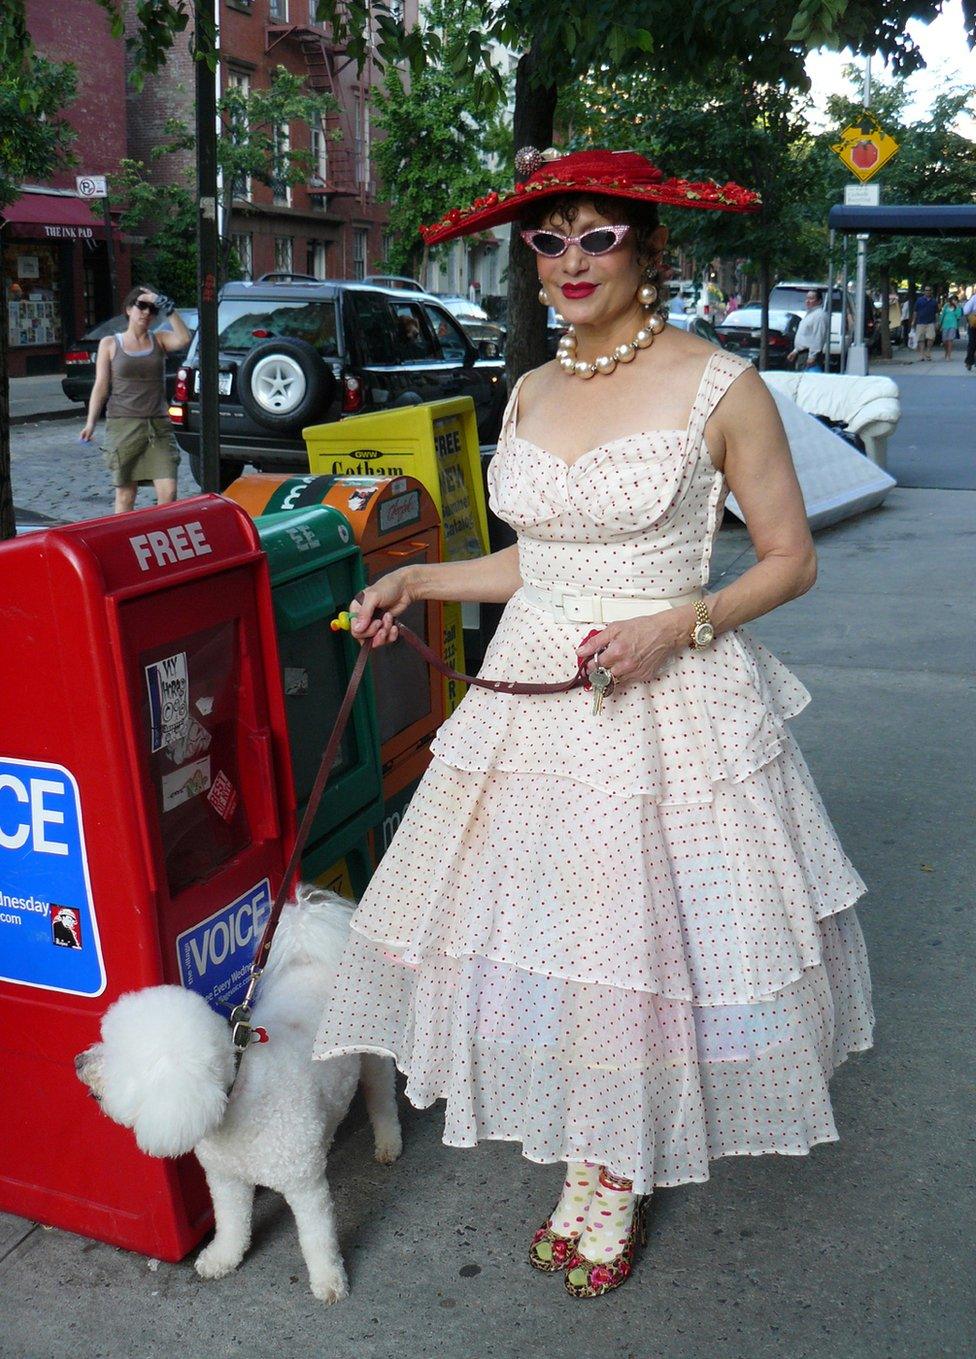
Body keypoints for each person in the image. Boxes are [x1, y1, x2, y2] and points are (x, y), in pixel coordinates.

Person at [314, 148, 874, 1298]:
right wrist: (416, 585)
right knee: (549, 931)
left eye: (596, 238)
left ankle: (613, 1166)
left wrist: (679, 625)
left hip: (660, 704)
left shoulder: (721, 386)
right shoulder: (530, 388)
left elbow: (789, 560)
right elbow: (540, 561)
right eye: (547, 241)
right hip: (532, 702)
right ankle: (588, 1140)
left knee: (637, 940)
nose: (568, 262)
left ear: (649, 250)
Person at [81, 285, 189, 513]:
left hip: (157, 427)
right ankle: (123, 544)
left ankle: (161, 538)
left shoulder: (159, 340)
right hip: (124, 425)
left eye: (152, 309)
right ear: (129, 309)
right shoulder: (109, 344)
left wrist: (164, 303)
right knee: (126, 494)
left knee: (168, 491)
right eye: (141, 306)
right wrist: (90, 422)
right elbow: (101, 386)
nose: (147, 313)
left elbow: (184, 338)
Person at [787, 289, 828, 371]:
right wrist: (795, 351)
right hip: (802, 354)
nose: (807, 301)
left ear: (819, 301)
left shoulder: (819, 315)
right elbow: (805, 336)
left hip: (809, 355)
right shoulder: (810, 315)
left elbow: (818, 336)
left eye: (811, 298)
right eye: (807, 298)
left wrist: (812, 356)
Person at [911, 285, 938, 362]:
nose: (928, 291)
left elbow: (936, 313)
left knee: (931, 338)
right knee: (921, 339)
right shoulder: (919, 300)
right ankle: (922, 355)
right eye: (926, 290)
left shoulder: (934, 301)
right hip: (920, 322)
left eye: (929, 290)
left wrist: (937, 322)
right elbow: (915, 311)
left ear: (931, 291)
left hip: (931, 322)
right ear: (924, 291)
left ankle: (928, 351)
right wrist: (913, 321)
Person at [938, 293, 963, 361]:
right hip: (945, 325)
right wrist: (940, 323)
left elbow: (958, 316)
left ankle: (948, 355)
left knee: (950, 340)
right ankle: (946, 352)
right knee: (944, 341)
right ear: (950, 300)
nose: (954, 301)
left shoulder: (958, 308)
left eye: (955, 300)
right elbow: (942, 315)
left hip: (953, 325)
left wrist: (957, 307)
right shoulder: (946, 305)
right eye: (953, 300)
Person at [962, 288, 976, 372]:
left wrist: (969, 318)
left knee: (972, 343)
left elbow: (966, 310)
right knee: (972, 343)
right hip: (974, 324)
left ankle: (969, 362)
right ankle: (969, 362)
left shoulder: (974, 298)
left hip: (974, 323)